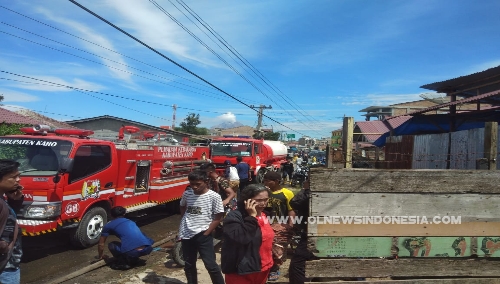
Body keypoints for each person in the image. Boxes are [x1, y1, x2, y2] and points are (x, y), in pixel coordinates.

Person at [221, 184, 275, 284]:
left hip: (263, 267)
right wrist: (251, 218)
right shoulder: (235, 217)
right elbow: (240, 238)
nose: (263, 203)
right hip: (241, 270)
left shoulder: (265, 215)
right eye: (258, 200)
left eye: (266, 199)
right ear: (247, 200)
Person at [178, 170, 225, 284]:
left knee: (210, 264)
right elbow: (183, 206)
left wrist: (207, 232)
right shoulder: (187, 193)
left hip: (203, 234)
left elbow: (218, 217)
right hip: (186, 234)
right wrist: (183, 222)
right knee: (189, 264)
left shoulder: (214, 197)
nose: (194, 187)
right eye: (191, 184)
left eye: (197, 184)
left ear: (206, 181)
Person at [263, 171, 295, 281]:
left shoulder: (287, 193)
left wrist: (290, 225)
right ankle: (267, 268)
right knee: (266, 247)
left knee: (278, 249)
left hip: (281, 225)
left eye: (268, 181)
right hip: (267, 224)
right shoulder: (264, 192)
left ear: (276, 181)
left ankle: (274, 269)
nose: (265, 182)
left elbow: (291, 210)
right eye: (265, 180)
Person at [0, 160, 24, 284]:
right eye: (13, 177)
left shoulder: (3, 199)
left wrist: (14, 201)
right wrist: (4, 246)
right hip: (5, 267)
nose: (18, 180)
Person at [288, 178, 315, 284]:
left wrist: (306, 188)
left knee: (297, 264)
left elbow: (295, 202)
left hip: (313, 232)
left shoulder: (309, 194)